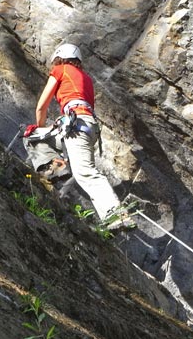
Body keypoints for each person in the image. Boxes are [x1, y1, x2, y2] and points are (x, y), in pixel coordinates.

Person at [23, 43, 135, 229]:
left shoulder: (61, 70)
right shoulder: (87, 79)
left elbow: (41, 106)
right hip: (87, 128)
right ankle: (57, 165)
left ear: (59, 58)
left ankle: (118, 216)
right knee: (83, 171)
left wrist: (40, 128)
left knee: (83, 171)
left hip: (76, 126)